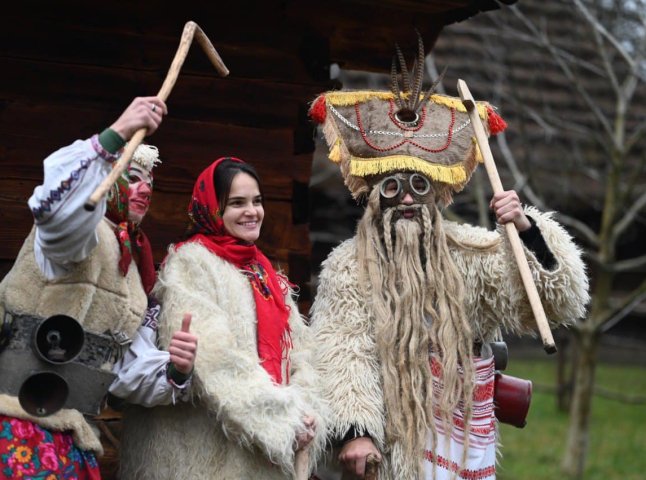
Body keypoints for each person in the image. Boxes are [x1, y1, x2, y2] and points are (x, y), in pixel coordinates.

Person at [307, 51, 590, 479]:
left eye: (418, 186)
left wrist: (526, 228)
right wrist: (355, 431)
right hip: (392, 444)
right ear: (371, 193)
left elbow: (558, 301)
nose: (405, 198)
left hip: (460, 443)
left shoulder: (470, 252)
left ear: (436, 193)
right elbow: (343, 352)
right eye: (392, 186)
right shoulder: (348, 267)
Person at [118, 157, 327, 480]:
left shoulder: (264, 271)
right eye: (237, 203)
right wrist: (283, 417)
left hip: (266, 453)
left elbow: (298, 350)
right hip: (206, 456)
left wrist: (305, 408)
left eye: (257, 201)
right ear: (212, 208)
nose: (252, 211)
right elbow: (214, 359)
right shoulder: (190, 264)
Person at [0, 96, 171, 478]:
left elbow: (123, 370)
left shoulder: (134, 269)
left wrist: (176, 370)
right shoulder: (77, 234)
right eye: (133, 177)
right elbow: (58, 214)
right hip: (12, 425)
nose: (144, 190)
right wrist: (114, 137)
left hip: (72, 439)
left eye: (150, 183)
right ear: (109, 177)